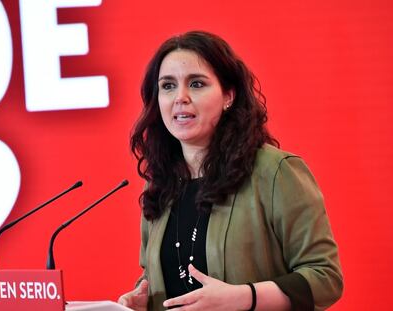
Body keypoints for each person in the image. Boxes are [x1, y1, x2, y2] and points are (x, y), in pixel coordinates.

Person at [119, 31, 343, 311]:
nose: (180, 97)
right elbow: (164, 272)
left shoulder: (275, 172)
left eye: (197, 84)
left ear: (228, 96)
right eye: (167, 86)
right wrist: (142, 296)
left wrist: (245, 297)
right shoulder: (159, 185)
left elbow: (325, 277)